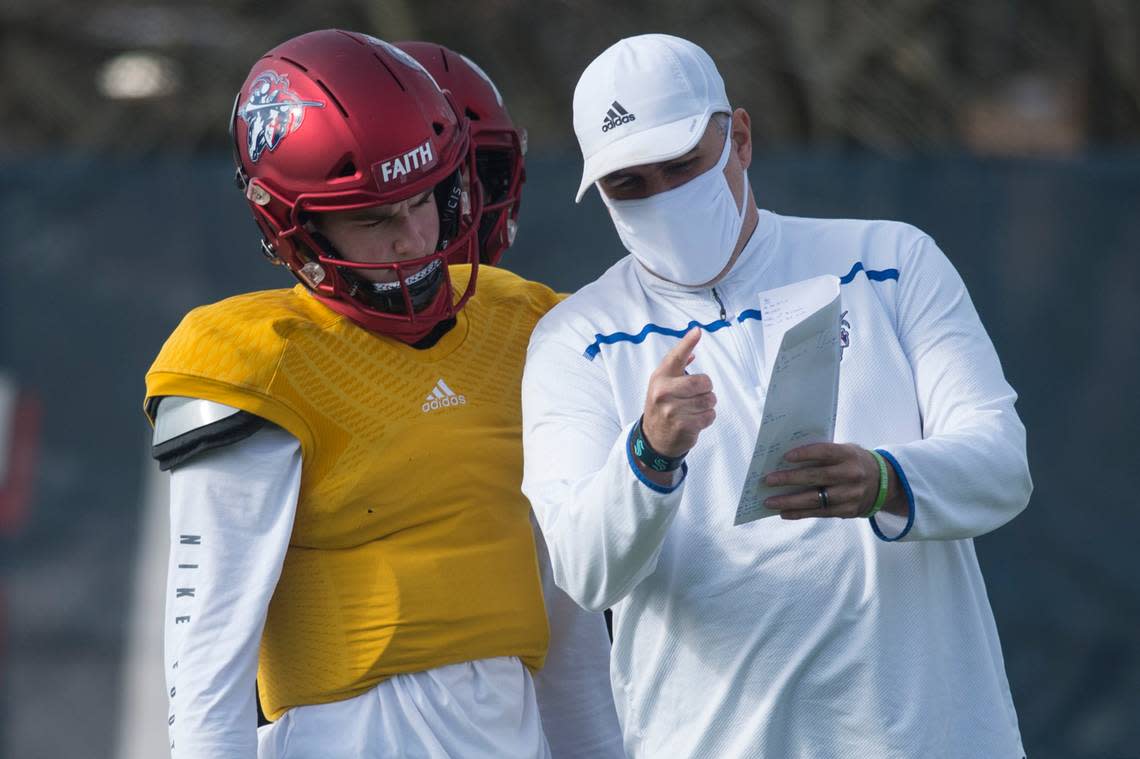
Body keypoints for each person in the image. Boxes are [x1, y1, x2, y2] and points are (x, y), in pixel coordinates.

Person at [522, 33, 1032, 758]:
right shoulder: (577, 337)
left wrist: (884, 478)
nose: (662, 196)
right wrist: (649, 454)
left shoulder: (889, 259)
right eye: (629, 184)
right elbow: (583, 568)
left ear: (741, 138)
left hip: (932, 736)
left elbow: (1002, 465)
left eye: (682, 165)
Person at [143, 30, 621, 759]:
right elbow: (209, 646)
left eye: (423, 200)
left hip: (510, 730)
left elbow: (571, 617)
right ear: (294, 227)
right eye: (372, 216)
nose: (411, 236)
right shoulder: (257, 360)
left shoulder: (525, 325)